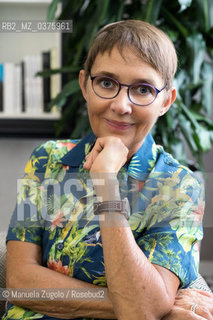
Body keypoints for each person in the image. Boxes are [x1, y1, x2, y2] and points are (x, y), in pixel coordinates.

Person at [2, 20, 213, 320]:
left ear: (166, 101)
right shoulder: (46, 160)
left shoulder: (179, 185)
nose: (121, 105)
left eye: (142, 89)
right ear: (85, 85)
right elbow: (20, 282)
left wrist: (106, 184)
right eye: (106, 83)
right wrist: (141, 304)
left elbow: (143, 311)